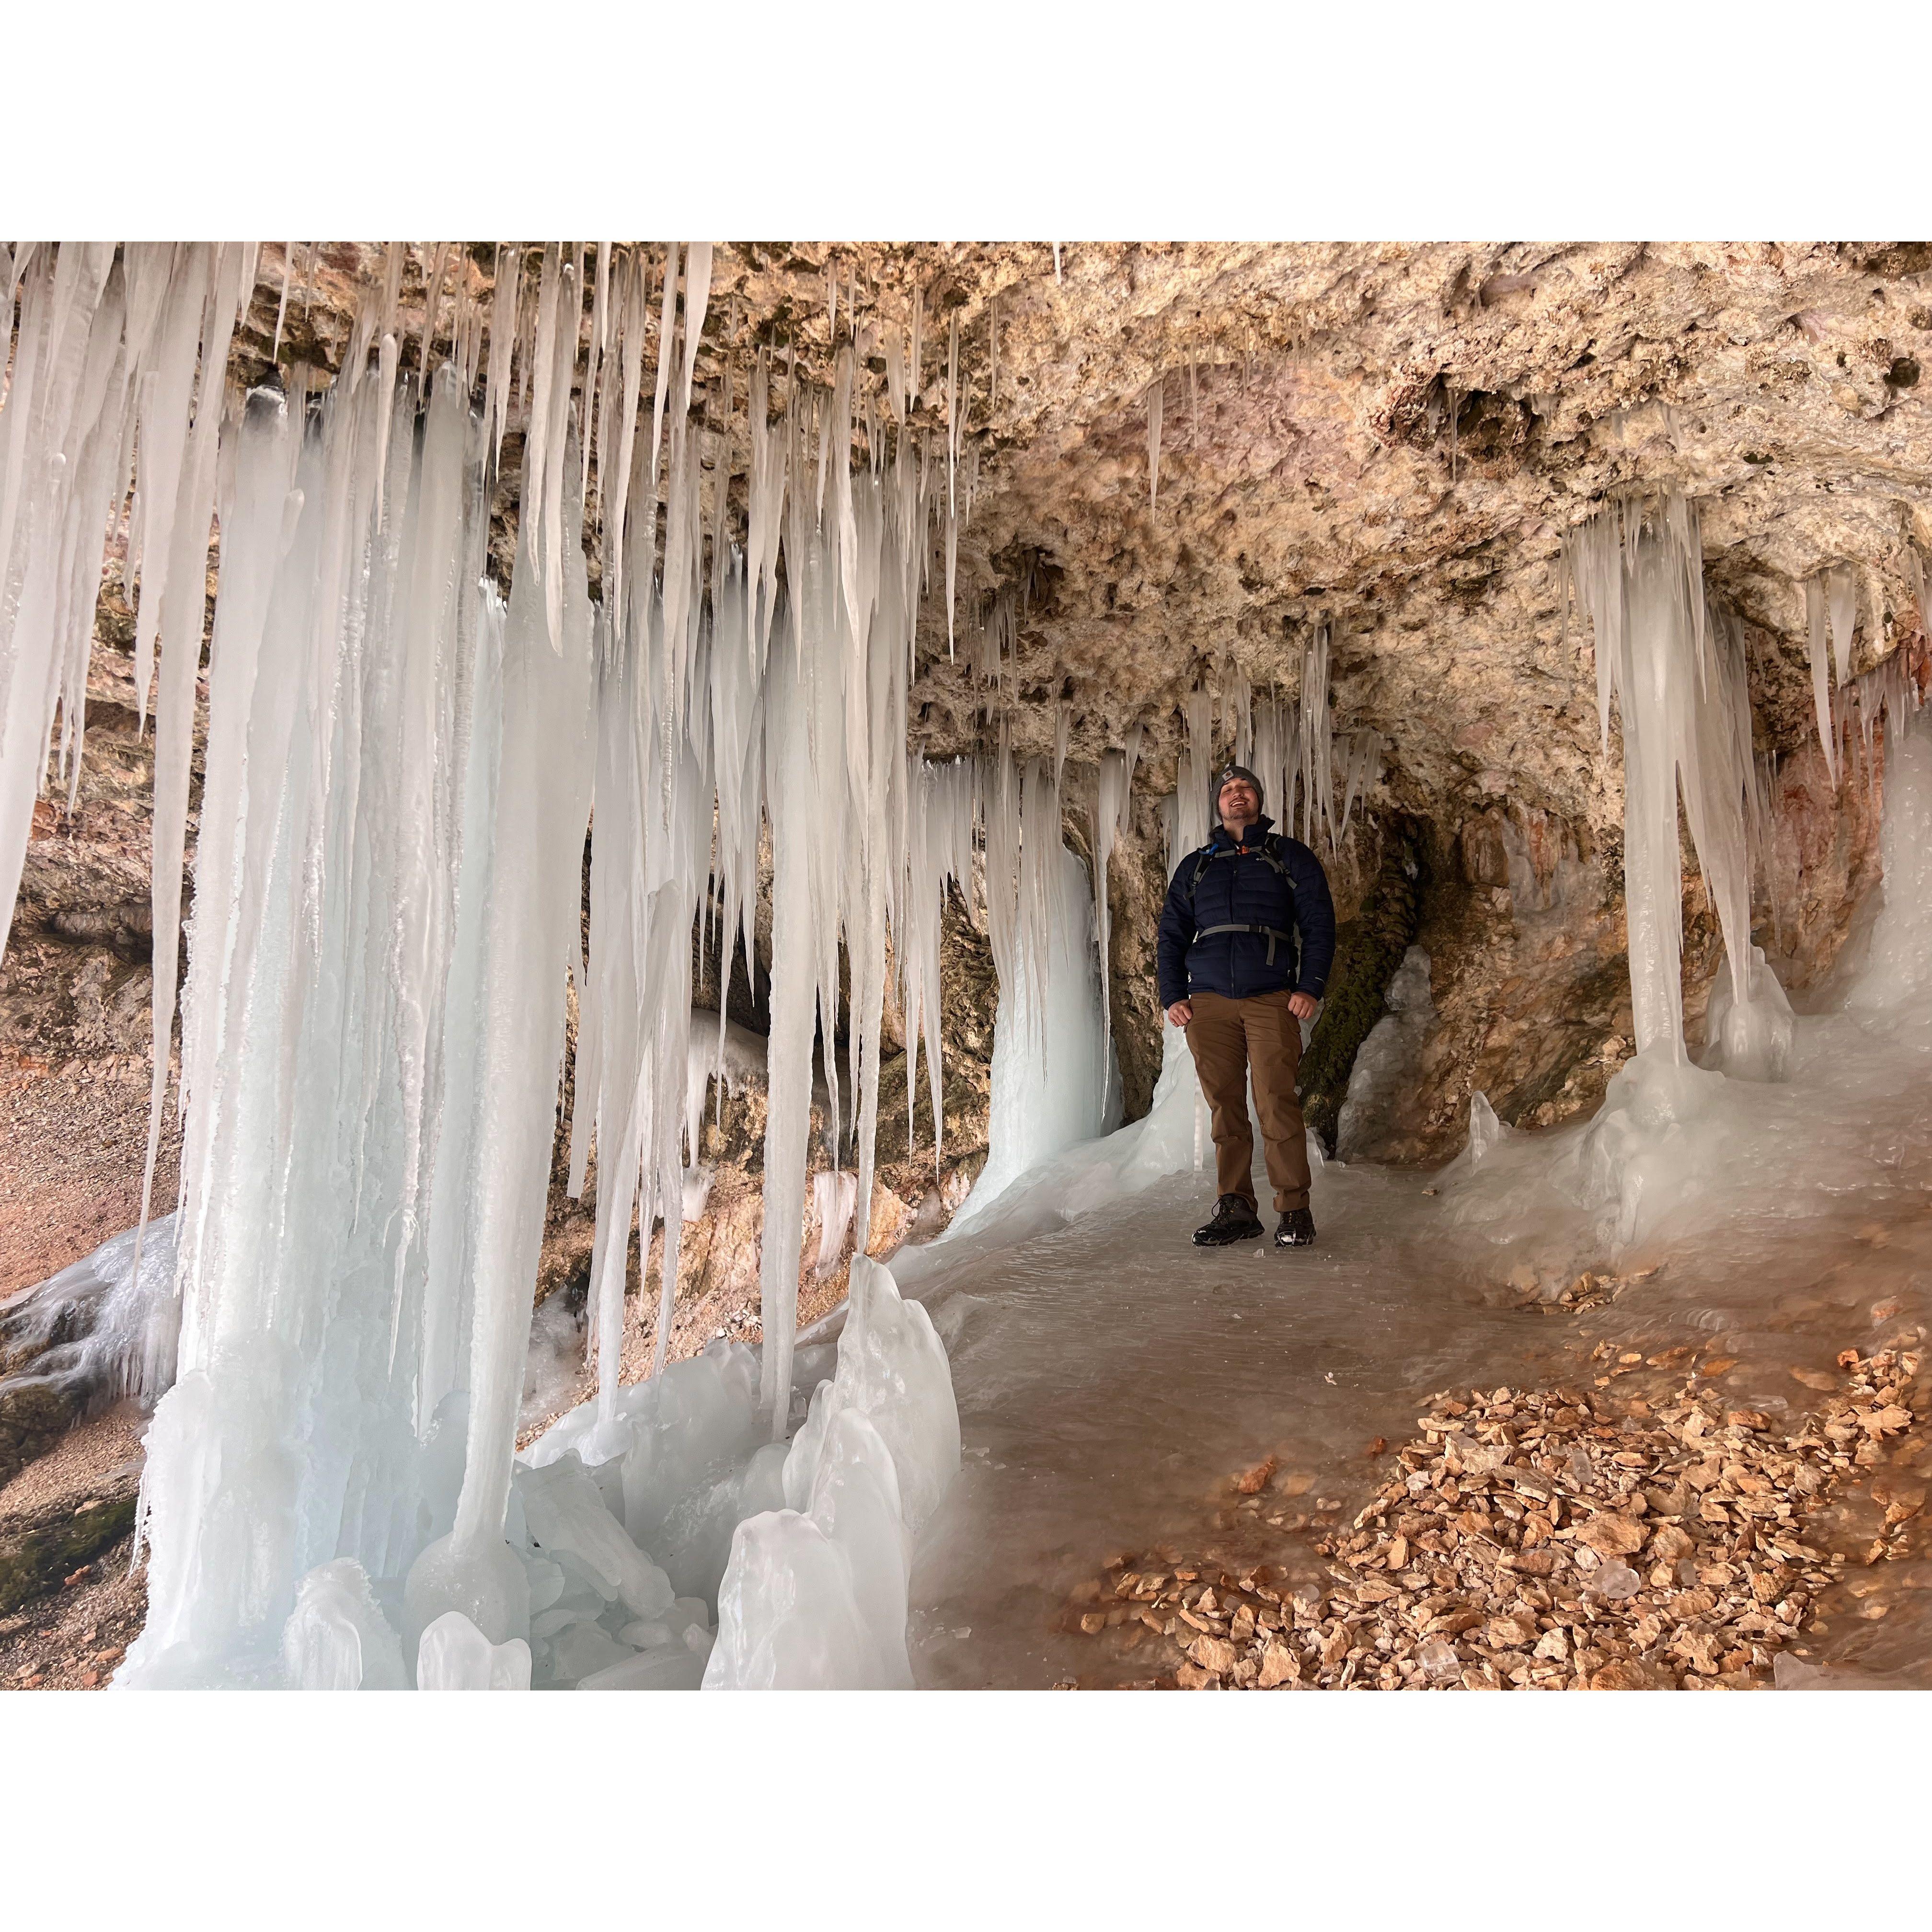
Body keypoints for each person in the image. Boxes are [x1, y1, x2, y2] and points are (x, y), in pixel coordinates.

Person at [1156, 764, 1337, 1249]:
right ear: (1218, 804)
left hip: (1271, 995)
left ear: (1258, 800)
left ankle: (1294, 1209)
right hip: (1209, 1001)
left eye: (1246, 789)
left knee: (1276, 1102)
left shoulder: (1288, 856)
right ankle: (1236, 1207)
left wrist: (1310, 986)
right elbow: (1171, 933)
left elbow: (1319, 922)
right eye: (1229, 790)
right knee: (1225, 1108)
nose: (1238, 795)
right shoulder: (1196, 866)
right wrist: (1172, 994)